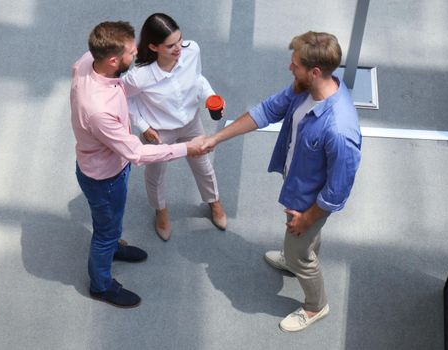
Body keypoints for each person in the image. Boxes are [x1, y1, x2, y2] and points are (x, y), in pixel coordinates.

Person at [202, 31, 362, 331]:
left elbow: (336, 193)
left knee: (300, 250)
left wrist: (306, 219)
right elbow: (267, 110)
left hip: (308, 203)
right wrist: (217, 138)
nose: (291, 69)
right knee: (303, 242)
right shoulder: (306, 89)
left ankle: (316, 305)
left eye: (295, 65)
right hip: (298, 184)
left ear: (315, 72)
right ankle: (297, 254)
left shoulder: (340, 129)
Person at [70, 21, 206, 308]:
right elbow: (138, 154)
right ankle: (101, 285)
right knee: (105, 233)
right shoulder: (99, 111)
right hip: (105, 178)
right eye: (133, 52)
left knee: (111, 222)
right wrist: (186, 147)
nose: (138, 55)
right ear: (113, 60)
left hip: (105, 168)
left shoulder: (87, 62)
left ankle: (113, 246)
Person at [122, 13, 227, 241]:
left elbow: (198, 78)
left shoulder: (192, 51)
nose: (179, 48)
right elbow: (126, 99)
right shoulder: (139, 77)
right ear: (153, 46)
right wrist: (143, 126)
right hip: (160, 133)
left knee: (203, 165)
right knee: (156, 175)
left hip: (191, 122)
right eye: (170, 45)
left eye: (180, 40)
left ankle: (214, 202)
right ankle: (161, 211)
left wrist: (210, 96)